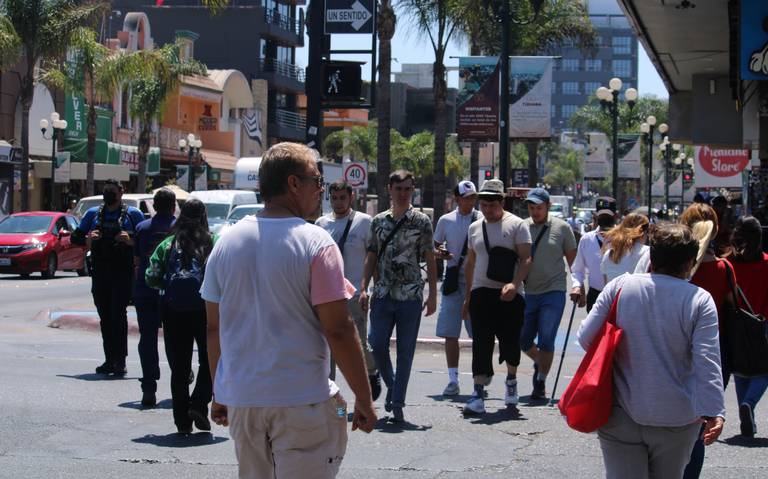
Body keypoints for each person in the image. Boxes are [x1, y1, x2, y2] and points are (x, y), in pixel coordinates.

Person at [201, 143, 376, 478]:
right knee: (335, 415)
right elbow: (338, 328)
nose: (321, 190)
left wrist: (219, 392)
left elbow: (213, 328)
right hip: (303, 402)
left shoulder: (225, 243)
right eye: (317, 181)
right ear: (294, 184)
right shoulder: (316, 242)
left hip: (243, 402)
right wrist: (364, 401)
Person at [577, 223, 725, 479]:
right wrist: (714, 412)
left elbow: (586, 338)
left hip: (620, 412)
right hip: (677, 418)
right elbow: (707, 360)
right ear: (690, 262)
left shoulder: (620, 286)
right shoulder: (700, 300)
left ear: (651, 256)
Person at [360, 169, 437, 423]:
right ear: (389, 190)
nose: (403, 194)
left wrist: (433, 293)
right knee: (376, 343)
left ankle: (398, 402)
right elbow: (371, 254)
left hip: (411, 294)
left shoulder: (421, 221)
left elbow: (429, 257)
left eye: (407, 189)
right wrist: (363, 288)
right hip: (382, 292)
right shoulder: (378, 221)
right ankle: (391, 384)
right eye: (398, 189)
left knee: (405, 351)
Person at [461, 180, 531, 414]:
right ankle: (478, 392)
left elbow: (526, 258)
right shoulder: (474, 227)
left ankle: (511, 381)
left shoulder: (517, 225)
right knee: (481, 342)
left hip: (510, 294)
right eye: (483, 205)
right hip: (481, 291)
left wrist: (514, 284)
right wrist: (468, 296)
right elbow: (470, 263)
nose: (487, 210)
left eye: (491, 204)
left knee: (510, 342)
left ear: (501, 202)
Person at [145, 199, 215, 434]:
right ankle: (199, 403)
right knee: (211, 361)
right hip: (206, 310)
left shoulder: (167, 245)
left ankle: (182, 421)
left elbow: (151, 276)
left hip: (173, 310)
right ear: (204, 216)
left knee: (180, 368)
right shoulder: (213, 243)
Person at [677, 203, 735, 479]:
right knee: (699, 426)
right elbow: (731, 307)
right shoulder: (724, 268)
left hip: (673, 348)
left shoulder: (672, 265)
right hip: (713, 352)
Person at [316, 181, 381, 400]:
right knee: (328, 348)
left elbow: (372, 259)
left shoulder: (364, 222)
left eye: (342, 197)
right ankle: (333, 402)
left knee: (359, 344)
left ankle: (371, 374)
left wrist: (367, 289)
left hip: (354, 294)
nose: (338, 202)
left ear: (350, 197)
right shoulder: (321, 224)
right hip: (327, 297)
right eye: (334, 198)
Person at [72, 179, 145, 376]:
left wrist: (129, 241)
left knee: (118, 316)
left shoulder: (133, 214)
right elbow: (75, 237)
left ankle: (120, 361)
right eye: (106, 191)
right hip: (100, 272)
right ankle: (109, 359)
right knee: (105, 317)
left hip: (122, 272)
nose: (109, 194)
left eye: (113, 191)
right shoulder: (92, 214)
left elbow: (145, 240)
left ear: (122, 192)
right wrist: (88, 238)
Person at [521, 188, 577, 400]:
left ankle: (541, 381)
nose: (535, 212)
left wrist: (578, 286)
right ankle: (540, 361)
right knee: (523, 339)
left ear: (548, 207)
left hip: (553, 291)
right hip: (528, 291)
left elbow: (574, 263)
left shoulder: (562, 228)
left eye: (539, 208)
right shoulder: (522, 227)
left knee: (546, 338)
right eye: (532, 208)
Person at [433, 180, 482, 396]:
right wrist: (441, 252)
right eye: (466, 197)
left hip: (477, 282)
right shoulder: (445, 220)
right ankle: (453, 379)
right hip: (453, 281)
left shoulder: (481, 219)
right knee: (450, 333)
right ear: (457, 199)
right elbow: (435, 245)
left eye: (473, 197)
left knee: (479, 333)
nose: (470, 201)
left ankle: (478, 378)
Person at [132, 187, 176, 407]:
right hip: (173, 293)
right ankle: (182, 375)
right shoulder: (179, 228)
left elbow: (137, 260)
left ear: (154, 206)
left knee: (147, 339)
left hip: (146, 290)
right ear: (173, 205)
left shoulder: (142, 228)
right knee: (176, 339)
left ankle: (148, 387)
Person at [726, 216, 768, 438]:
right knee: (764, 368)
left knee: (741, 368)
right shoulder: (767, 263)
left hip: (736, 323)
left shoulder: (728, 264)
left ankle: (746, 412)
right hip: (763, 322)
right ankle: (748, 404)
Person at [570, 197, 618, 312]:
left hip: (618, 296)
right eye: (602, 216)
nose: (605, 220)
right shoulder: (587, 239)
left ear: (615, 216)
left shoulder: (624, 239)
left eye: (608, 216)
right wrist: (577, 286)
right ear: (596, 216)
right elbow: (578, 269)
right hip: (595, 295)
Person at [600, 213, 649, 284]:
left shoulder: (609, 253)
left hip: (613, 294)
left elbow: (606, 284)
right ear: (643, 232)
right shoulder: (647, 252)